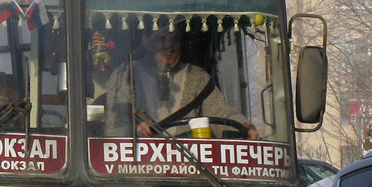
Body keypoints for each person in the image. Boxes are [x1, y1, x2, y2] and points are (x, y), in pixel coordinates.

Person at [103, 23, 260, 139]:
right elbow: (116, 126)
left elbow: (222, 113)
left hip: (188, 168)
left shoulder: (197, 77)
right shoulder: (125, 75)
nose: (169, 46)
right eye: (162, 38)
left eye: (175, 39)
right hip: (141, 171)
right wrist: (135, 132)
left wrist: (245, 127)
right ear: (146, 41)